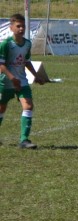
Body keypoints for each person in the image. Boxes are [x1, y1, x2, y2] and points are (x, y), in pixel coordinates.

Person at [0, 13, 44, 150]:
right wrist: (12, 79)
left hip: (22, 82)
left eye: (23, 26)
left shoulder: (27, 44)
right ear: (11, 27)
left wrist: (36, 75)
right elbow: (1, 65)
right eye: (18, 26)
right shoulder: (6, 44)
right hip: (5, 82)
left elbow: (26, 61)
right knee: (1, 109)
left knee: (28, 106)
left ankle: (24, 140)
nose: (21, 29)